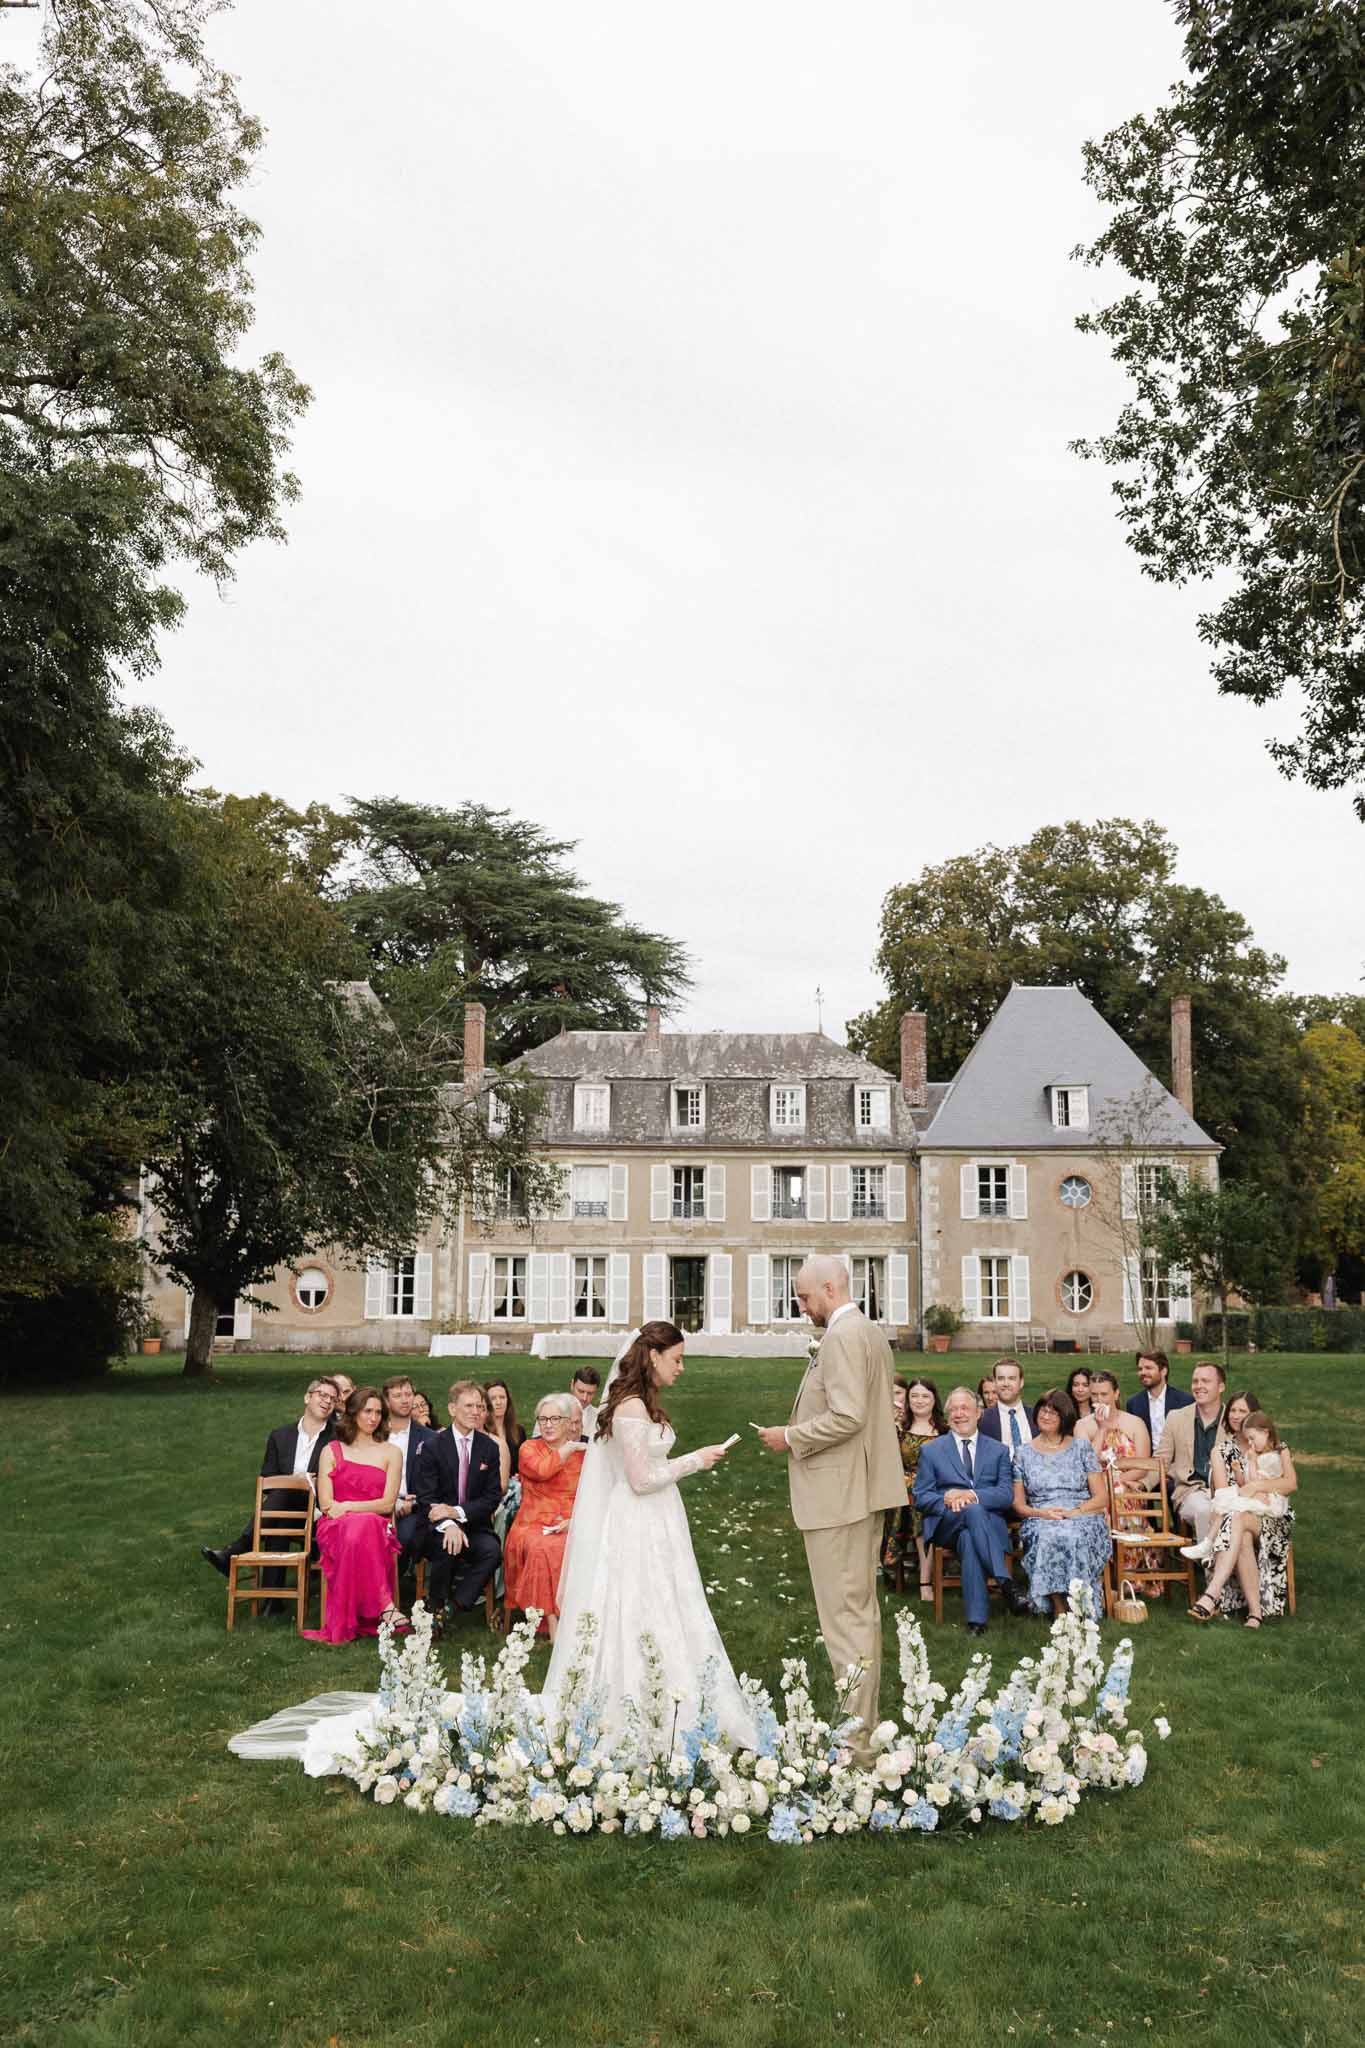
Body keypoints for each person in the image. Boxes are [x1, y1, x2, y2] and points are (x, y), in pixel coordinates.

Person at [542, 1321, 747, 1745]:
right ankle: (630, 1702)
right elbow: (639, 1479)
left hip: (655, 1517)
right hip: (637, 1519)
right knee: (636, 1603)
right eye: (677, 1359)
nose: (682, 1368)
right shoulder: (631, 1408)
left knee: (667, 1599)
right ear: (653, 1356)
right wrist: (696, 1460)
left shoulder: (641, 1403)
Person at [753, 1255, 905, 1761]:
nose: (802, 1308)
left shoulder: (843, 1336)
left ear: (828, 1289)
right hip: (859, 1490)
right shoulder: (870, 1331)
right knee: (857, 1614)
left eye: (804, 1298)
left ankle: (855, 1745)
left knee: (845, 1620)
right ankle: (862, 1731)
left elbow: (848, 1416)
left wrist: (789, 1437)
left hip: (841, 1496)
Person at [199, 1375, 339, 1592]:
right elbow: (268, 1478)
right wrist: (293, 1482)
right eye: (323, 1395)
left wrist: (306, 1481)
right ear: (307, 1397)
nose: (328, 1401)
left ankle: (236, 1549)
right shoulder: (280, 1435)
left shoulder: (336, 1438)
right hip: (284, 1510)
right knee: (279, 1520)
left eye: (333, 1398)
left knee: (285, 1496)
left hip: (318, 1510)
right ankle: (273, 1603)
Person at [302, 1387, 404, 1644]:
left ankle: (360, 1614)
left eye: (378, 1412)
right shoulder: (331, 1450)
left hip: (375, 1524)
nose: (373, 1418)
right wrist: (344, 1510)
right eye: (367, 1411)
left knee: (365, 1525)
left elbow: (387, 1503)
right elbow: (326, 1504)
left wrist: (348, 1507)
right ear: (353, 1413)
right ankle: (385, 1605)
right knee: (358, 1528)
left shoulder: (391, 1452)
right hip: (334, 1526)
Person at [913, 1386, 1016, 1635]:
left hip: (983, 1527)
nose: (960, 1414)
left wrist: (971, 1496)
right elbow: (921, 1496)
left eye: (965, 1408)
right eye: (954, 1409)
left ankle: (976, 1622)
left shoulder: (998, 1451)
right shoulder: (932, 1450)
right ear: (948, 1416)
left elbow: (1005, 1494)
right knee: (972, 1512)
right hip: (947, 1523)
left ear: (978, 1413)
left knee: (971, 1533)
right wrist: (946, 1498)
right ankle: (1005, 1581)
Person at [1188, 1409, 1298, 1625]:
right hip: (1247, 1514)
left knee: (1235, 1516)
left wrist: (1258, 1487)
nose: (1237, 1417)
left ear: (1264, 1431)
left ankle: (1211, 1593)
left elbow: (1291, 1484)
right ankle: (1255, 1614)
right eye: (1234, 1411)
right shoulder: (1242, 1451)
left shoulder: (1280, 1449)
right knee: (1241, 1531)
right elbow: (1244, 1482)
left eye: (1243, 1412)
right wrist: (1246, 1474)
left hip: (1273, 1518)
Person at [1012, 1388, 1111, 1616]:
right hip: (1042, 1515)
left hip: (1081, 1512)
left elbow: (1101, 1497)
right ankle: (1059, 1606)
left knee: (1074, 1535)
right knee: (1048, 1535)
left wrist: (1076, 1512)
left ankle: (1079, 1602)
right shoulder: (1023, 1453)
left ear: (1064, 1417)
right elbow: (1019, 1505)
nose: (1046, 1416)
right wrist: (1043, 1514)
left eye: (1053, 1413)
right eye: (1043, 1411)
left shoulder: (1081, 1448)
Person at [413, 1381, 504, 1624]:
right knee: (447, 1544)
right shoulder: (432, 1446)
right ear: (453, 1409)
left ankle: (453, 1607)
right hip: (438, 1527)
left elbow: (492, 1497)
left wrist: (457, 1513)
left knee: (492, 1551)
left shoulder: (489, 1448)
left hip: (474, 1524)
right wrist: (449, 1523)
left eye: (480, 1406)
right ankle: (436, 1604)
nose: (476, 1411)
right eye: (469, 1406)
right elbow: (426, 1498)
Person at [502, 1392, 586, 1637]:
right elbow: (542, 1470)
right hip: (532, 1524)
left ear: (568, 1422)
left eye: (555, 1419)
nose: (548, 1425)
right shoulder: (529, 1449)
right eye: (543, 1419)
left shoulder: (584, 1455)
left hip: (572, 1521)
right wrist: (569, 1448)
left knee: (585, 1543)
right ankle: (552, 1623)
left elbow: (594, 1494)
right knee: (543, 1549)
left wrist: (575, 1521)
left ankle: (579, 1614)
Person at [1076, 1368, 1159, 1591]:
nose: (1099, 1400)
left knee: (1119, 1495)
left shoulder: (1134, 1423)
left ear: (1116, 1394)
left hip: (1127, 1486)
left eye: (1104, 1394)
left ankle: (1127, 1573)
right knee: (1104, 1500)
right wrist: (1102, 1430)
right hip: (1093, 1489)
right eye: (1094, 1395)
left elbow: (1142, 1465)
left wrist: (1116, 1483)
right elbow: (1085, 1464)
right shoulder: (1083, 1425)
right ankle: (1103, 1573)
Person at [1157, 1361, 1229, 1550]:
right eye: (1195, 1381)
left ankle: (1233, 1572)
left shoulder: (1233, 1418)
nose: (1199, 1386)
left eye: (1206, 1381)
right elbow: (1160, 1461)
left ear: (1221, 1387)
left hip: (1226, 1491)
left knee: (1233, 1514)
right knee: (1204, 1510)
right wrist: (1141, 1483)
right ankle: (1214, 1574)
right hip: (1190, 1492)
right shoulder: (1176, 1417)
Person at [380, 1374, 436, 1592]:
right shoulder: (374, 1435)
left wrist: (411, 1504)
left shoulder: (429, 1438)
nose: (405, 1400)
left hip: (412, 1507)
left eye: (408, 1394)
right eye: (397, 1395)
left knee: (403, 1537)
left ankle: (385, 1594)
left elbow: (435, 1484)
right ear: (386, 1401)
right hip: (376, 1503)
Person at [900, 1376, 945, 1601]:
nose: (919, 1400)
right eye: (914, 1395)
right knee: (919, 1506)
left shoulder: (945, 1429)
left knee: (927, 1505)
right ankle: (925, 1578)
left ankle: (925, 1575)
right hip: (905, 1487)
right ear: (908, 1399)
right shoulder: (900, 1428)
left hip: (939, 1487)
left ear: (934, 1399)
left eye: (925, 1396)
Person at [1126, 1349, 1193, 1448]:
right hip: (1146, 1460)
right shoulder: (1133, 1404)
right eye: (1140, 1369)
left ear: (1163, 1371)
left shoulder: (1185, 1401)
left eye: (1148, 1368)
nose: (1143, 1372)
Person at [979, 1358, 1035, 1457]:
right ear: (995, 1382)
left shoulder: (1036, 1417)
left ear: (1021, 1382)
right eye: (1000, 1378)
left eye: (1011, 1378)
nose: (1006, 1384)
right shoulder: (982, 1420)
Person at [483, 1378, 526, 1490]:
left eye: (502, 1397)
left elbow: (523, 1464)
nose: (498, 1402)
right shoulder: (482, 1432)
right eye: (493, 1398)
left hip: (516, 1488)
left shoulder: (518, 1431)